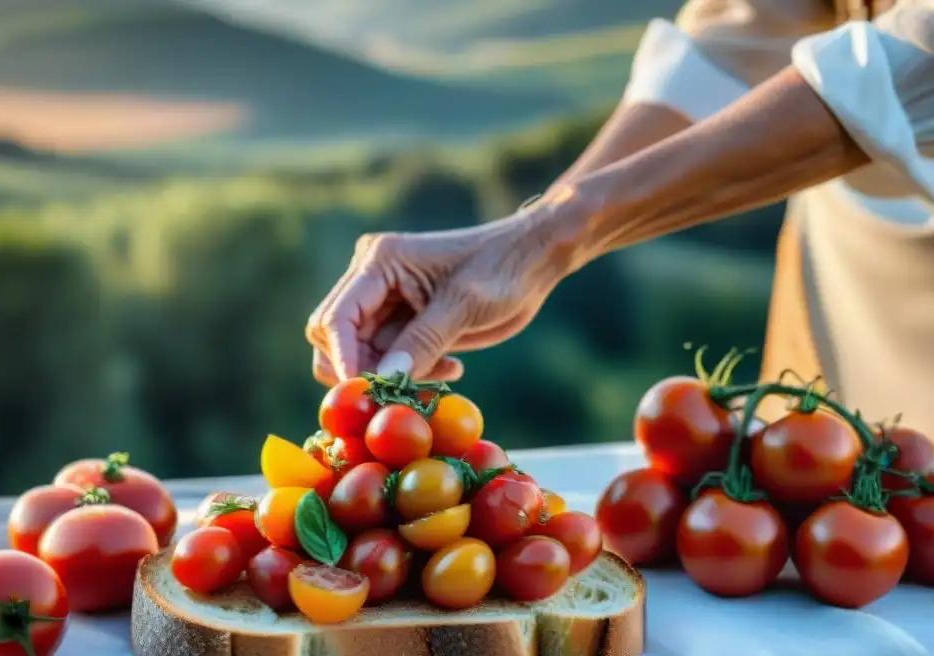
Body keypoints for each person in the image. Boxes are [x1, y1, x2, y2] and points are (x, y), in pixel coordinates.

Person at [305, 0, 934, 430]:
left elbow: (914, 66)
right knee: (822, 555)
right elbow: (757, 22)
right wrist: (531, 237)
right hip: (846, 267)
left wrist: (549, 237)